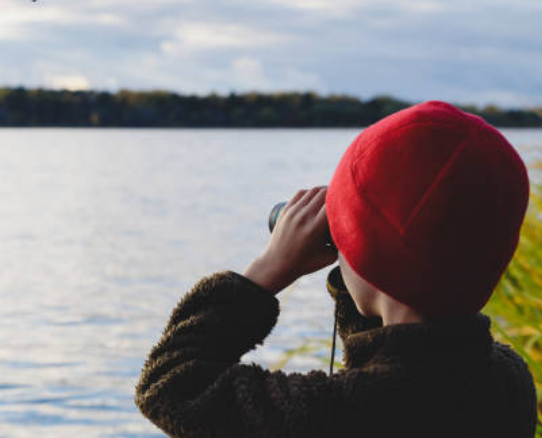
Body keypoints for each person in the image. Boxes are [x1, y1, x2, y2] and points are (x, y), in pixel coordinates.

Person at [135, 100, 538, 437]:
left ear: (366, 256)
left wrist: (268, 269)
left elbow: (170, 384)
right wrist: (363, 260)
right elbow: (398, 362)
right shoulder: (508, 381)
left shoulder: (333, 413)